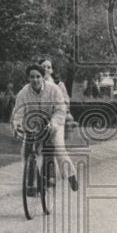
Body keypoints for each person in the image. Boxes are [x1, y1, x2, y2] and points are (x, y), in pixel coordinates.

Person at [11, 64, 79, 192]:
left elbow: (61, 110)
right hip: (35, 123)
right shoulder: (23, 93)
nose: (35, 80)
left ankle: (71, 176)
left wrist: (53, 123)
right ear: (28, 78)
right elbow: (18, 113)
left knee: (58, 148)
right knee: (26, 151)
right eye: (32, 77)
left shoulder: (53, 90)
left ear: (43, 77)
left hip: (54, 122)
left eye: (38, 76)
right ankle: (30, 184)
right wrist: (18, 126)